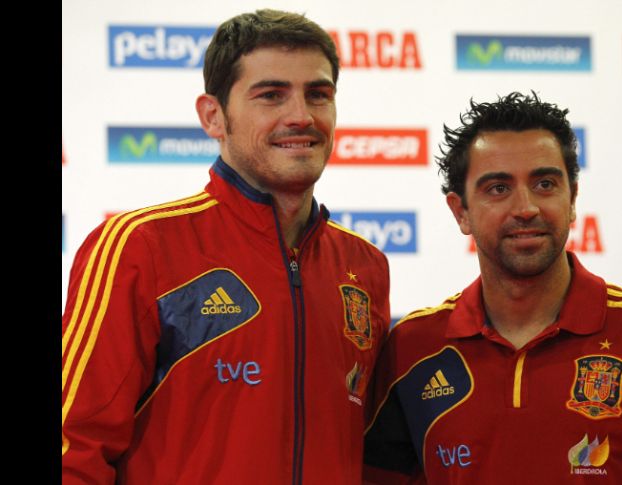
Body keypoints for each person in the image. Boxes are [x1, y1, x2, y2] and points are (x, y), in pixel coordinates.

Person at [61, 9, 390, 484]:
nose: (301, 116)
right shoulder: (139, 246)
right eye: (271, 95)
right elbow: (74, 446)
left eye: (318, 94)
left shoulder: (365, 265)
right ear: (213, 116)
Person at [362, 91, 622, 484]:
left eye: (544, 183)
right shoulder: (412, 346)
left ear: (573, 199)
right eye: (498, 188)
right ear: (461, 212)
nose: (526, 207)